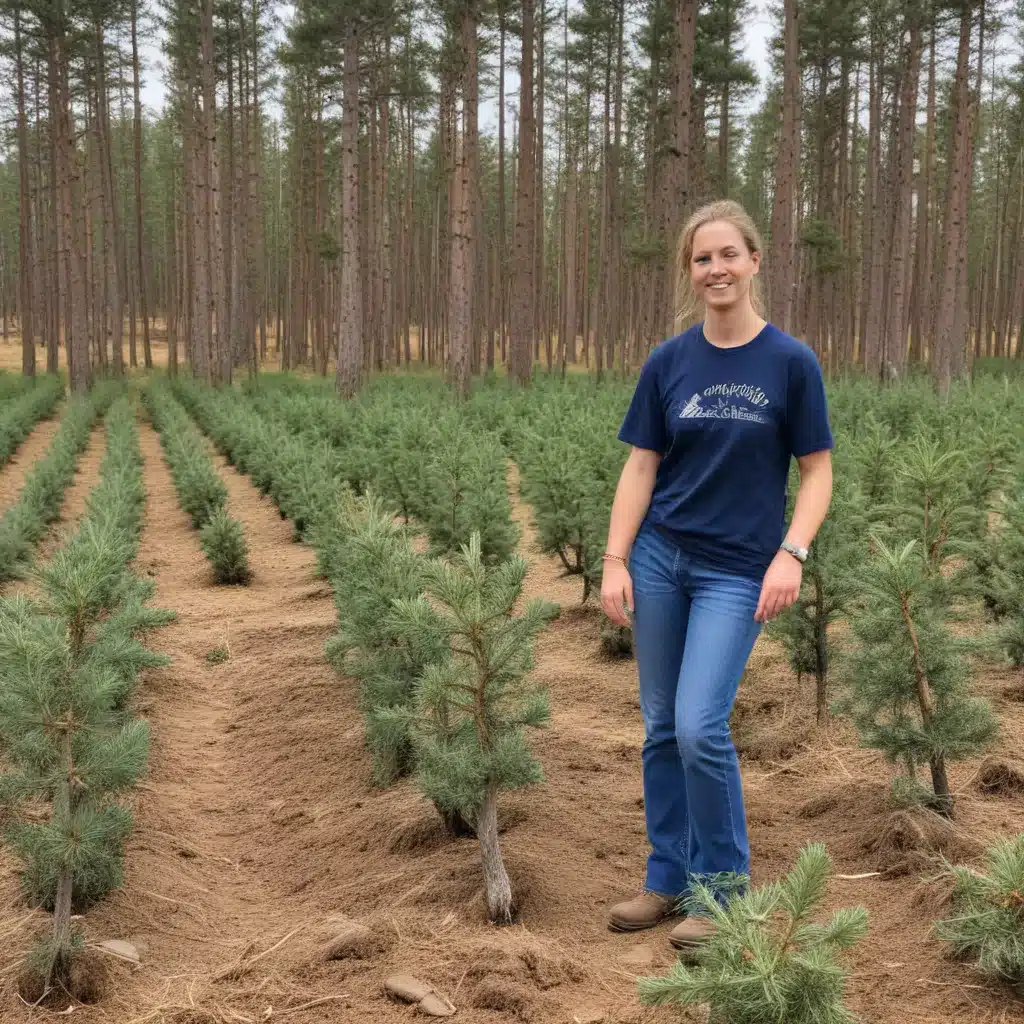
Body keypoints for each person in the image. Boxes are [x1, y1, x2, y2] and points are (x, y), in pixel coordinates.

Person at [601, 199, 834, 957]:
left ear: (755, 261)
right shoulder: (669, 363)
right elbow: (642, 465)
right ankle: (666, 875)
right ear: (690, 271)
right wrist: (614, 560)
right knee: (661, 726)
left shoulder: (790, 363)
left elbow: (818, 472)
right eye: (702, 259)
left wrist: (791, 553)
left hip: (739, 571)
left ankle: (723, 891)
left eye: (728, 254)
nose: (716, 270)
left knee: (702, 725)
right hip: (661, 559)